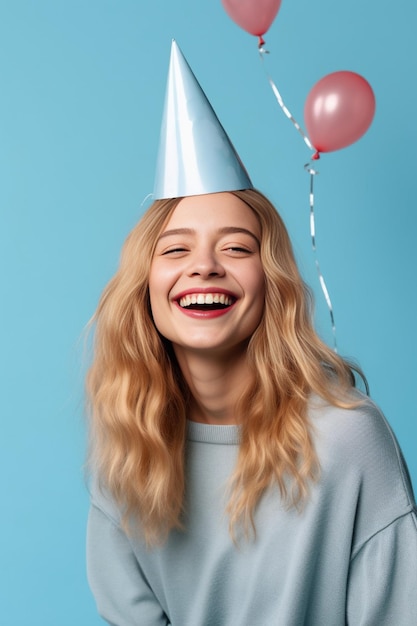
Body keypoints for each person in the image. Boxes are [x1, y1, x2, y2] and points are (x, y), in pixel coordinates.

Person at [86, 41, 417, 625]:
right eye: (176, 249)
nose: (205, 266)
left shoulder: (348, 439)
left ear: (272, 284)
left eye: (237, 248)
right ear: (144, 286)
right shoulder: (127, 449)